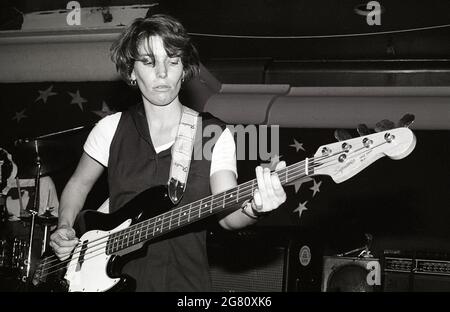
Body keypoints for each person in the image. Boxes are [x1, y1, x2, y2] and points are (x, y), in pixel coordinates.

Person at [49, 14, 287, 292]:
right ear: (131, 71)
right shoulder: (110, 129)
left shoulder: (211, 133)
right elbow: (78, 184)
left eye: (172, 61)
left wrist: (255, 208)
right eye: (149, 62)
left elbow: (227, 214)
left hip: (185, 284)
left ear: (184, 70)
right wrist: (63, 226)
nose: (162, 73)